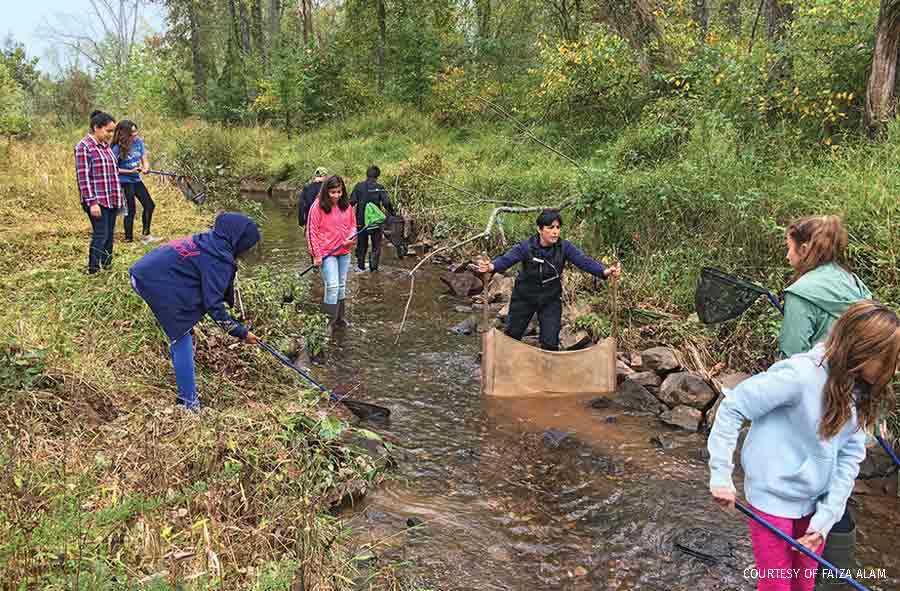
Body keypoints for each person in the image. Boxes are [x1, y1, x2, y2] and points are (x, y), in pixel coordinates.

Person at [708, 301, 899, 591]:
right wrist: (721, 474)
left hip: (814, 503)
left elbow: (849, 462)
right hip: (771, 498)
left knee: (804, 583)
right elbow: (734, 407)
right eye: (889, 360)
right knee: (776, 585)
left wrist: (824, 522)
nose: (893, 369)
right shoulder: (799, 376)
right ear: (863, 350)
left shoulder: (862, 393)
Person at [777, 215, 876, 589]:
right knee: (838, 486)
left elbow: (789, 360)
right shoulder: (854, 282)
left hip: (823, 408)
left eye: (789, 247)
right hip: (860, 403)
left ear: (805, 249)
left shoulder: (802, 292)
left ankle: (819, 576)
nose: (787, 256)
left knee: (813, 488)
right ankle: (837, 573)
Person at [129, 213, 261, 412]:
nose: (247, 251)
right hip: (153, 281)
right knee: (182, 338)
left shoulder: (211, 242)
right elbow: (214, 305)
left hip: (146, 272)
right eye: (247, 246)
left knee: (183, 328)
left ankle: (187, 399)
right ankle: (190, 404)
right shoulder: (219, 260)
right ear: (238, 241)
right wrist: (240, 332)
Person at [476, 210, 622, 351]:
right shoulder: (526, 247)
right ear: (540, 229)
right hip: (524, 297)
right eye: (550, 227)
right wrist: (490, 266)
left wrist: (604, 271)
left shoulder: (564, 247)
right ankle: (505, 367)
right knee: (512, 336)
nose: (555, 232)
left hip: (550, 299)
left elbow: (583, 261)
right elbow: (506, 259)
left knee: (550, 342)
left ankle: (547, 372)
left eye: (558, 228)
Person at [75, 110, 125, 274]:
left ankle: (107, 265)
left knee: (110, 236)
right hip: (97, 201)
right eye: (108, 131)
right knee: (101, 235)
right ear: (96, 127)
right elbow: (83, 177)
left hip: (111, 198)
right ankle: (94, 270)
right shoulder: (84, 147)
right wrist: (92, 202)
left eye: (112, 131)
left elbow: (112, 172)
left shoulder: (106, 147)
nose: (111, 135)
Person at [307, 175, 357, 331]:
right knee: (333, 286)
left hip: (344, 250)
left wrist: (351, 239)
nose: (336, 195)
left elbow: (353, 226)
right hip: (326, 252)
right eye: (333, 192)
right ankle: (327, 324)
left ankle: (340, 320)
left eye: (339, 192)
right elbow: (311, 232)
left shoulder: (346, 206)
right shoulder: (317, 206)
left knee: (342, 285)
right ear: (326, 192)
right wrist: (316, 254)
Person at [111, 120, 158, 244]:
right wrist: (129, 171)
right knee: (130, 210)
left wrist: (146, 167)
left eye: (136, 130)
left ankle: (146, 236)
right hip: (124, 181)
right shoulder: (116, 148)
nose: (135, 134)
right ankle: (128, 239)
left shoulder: (138, 142)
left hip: (136, 179)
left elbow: (144, 158)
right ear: (124, 133)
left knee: (149, 205)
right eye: (132, 132)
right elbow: (112, 168)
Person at [350, 165, 395, 272]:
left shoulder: (358, 186)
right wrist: (393, 213)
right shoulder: (379, 188)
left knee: (362, 246)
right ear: (377, 176)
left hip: (361, 222)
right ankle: (373, 268)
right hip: (375, 222)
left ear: (367, 175)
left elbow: (351, 202)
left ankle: (361, 268)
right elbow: (387, 202)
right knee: (376, 246)